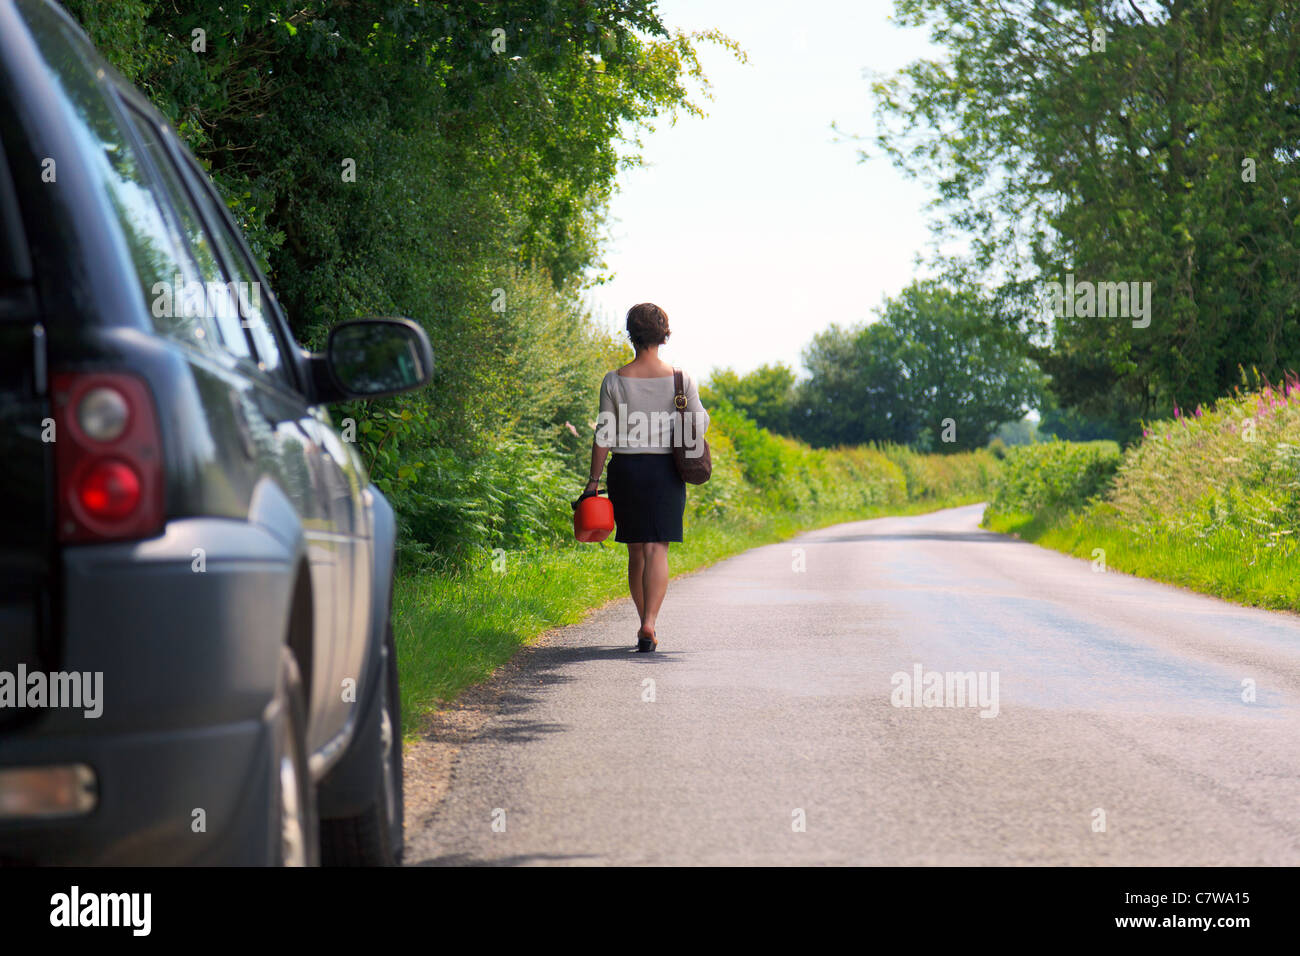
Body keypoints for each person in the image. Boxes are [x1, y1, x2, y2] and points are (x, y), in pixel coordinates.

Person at [584, 302, 709, 652]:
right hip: (665, 471)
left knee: (636, 551)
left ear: (631, 335)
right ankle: (649, 623)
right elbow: (698, 425)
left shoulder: (614, 380)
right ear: (663, 334)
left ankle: (643, 623)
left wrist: (593, 482)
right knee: (657, 548)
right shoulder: (682, 379)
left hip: (626, 471)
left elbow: (603, 435)